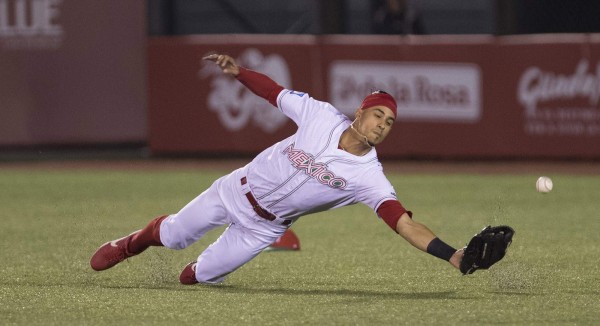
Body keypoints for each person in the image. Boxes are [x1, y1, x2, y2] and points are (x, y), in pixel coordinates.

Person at [90, 54, 464, 285]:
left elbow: (405, 224)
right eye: (378, 115)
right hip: (235, 189)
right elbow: (275, 92)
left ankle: (205, 266)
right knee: (172, 236)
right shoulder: (320, 115)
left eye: (390, 122)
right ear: (360, 113)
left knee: (196, 277)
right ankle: (129, 244)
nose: (382, 124)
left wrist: (452, 255)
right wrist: (239, 72)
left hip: (264, 228)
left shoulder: (369, 177)